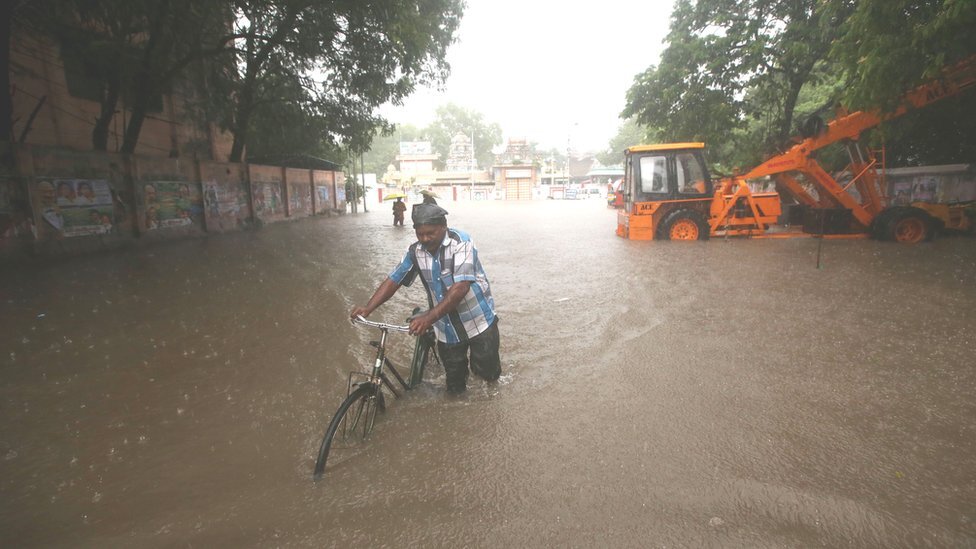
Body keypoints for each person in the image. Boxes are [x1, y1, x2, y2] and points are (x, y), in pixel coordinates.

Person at [350, 203, 501, 394]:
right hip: (446, 328)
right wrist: (368, 308)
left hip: (478, 322)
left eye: (431, 233)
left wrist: (428, 318)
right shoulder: (415, 251)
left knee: (488, 380)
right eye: (420, 234)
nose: (425, 238)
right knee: (455, 388)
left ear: (444, 227)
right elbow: (394, 279)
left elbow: (461, 287)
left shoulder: (461, 242)